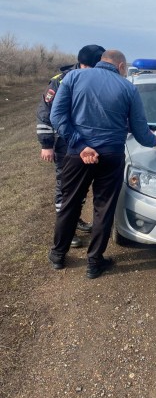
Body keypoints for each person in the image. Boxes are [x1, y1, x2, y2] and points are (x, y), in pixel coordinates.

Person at [48, 50, 156, 278]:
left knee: (70, 203)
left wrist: (81, 146)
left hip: (77, 154)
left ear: (101, 62)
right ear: (121, 66)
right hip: (111, 156)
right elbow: (142, 133)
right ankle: (94, 263)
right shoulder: (128, 88)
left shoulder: (73, 78)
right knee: (103, 208)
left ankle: (57, 256)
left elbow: (57, 117)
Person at [37, 44, 106, 247]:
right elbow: (45, 114)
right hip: (64, 144)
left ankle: (75, 220)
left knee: (81, 187)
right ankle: (67, 229)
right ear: (87, 65)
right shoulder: (61, 81)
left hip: (88, 145)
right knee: (65, 187)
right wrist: (46, 144)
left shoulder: (97, 79)